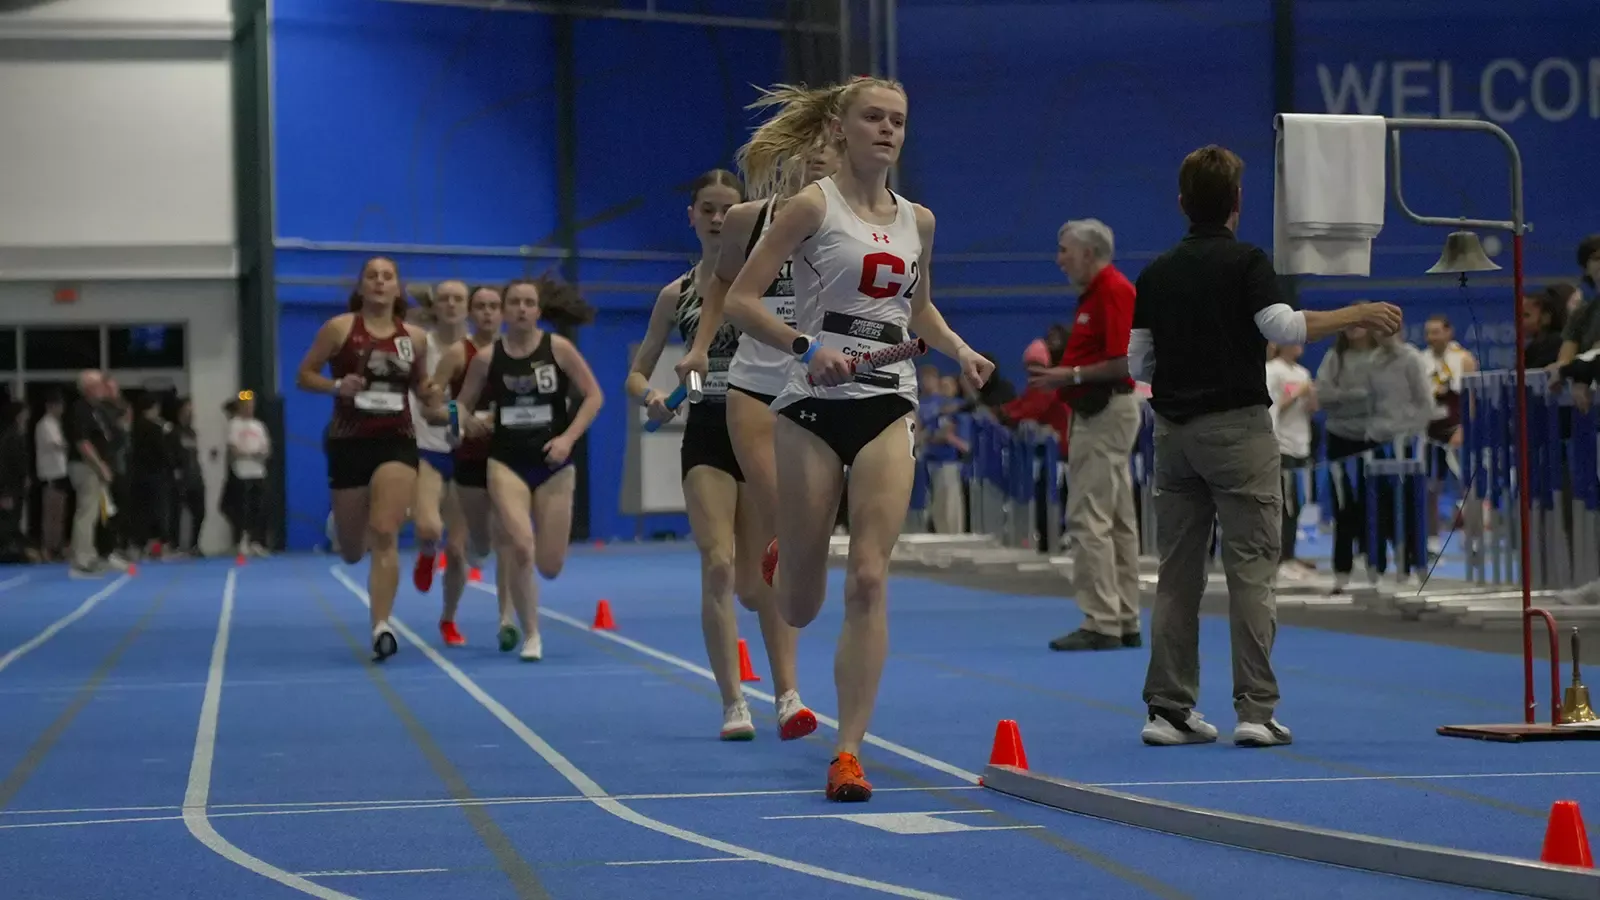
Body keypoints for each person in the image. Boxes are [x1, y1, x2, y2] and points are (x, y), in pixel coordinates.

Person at [718, 77, 994, 801]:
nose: (887, 130)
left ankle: (847, 751)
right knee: (801, 604)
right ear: (840, 128)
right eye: (873, 117)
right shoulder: (812, 206)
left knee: (869, 575)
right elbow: (742, 301)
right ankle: (791, 553)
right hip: (811, 403)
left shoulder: (920, 221)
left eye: (898, 120)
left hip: (886, 404)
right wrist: (807, 347)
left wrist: (961, 350)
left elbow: (920, 309)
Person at [1127, 145, 1401, 748]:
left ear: (1181, 203)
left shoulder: (1154, 272)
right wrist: (1354, 311)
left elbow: (1138, 362)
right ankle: (1255, 711)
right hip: (1239, 430)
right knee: (1252, 571)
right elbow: (1280, 329)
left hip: (1173, 434)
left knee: (1176, 575)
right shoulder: (1248, 261)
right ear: (1237, 204)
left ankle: (1168, 710)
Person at [627, 170, 818, 742]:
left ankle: (788, 694)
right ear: (692, 216)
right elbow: (636, 373)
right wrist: (655, 396)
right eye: (706, 209)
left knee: (763, 579)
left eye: (726, 209)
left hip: (763, 428)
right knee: (717, 563)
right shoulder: (676, 294)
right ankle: (735, 702)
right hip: (708, 432)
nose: (716, 219)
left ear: (746, 217)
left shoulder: (775, 279)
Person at [440, 276, 603, 662]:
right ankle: (531, 634)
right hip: (505, 463)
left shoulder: (558, 349)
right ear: (505, 310)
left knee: (549, 565)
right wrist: (458, 425)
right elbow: (458, 405)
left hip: (554, 465)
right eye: (514, 303)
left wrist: (568, 439)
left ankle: (528, 613)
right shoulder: (486, 358)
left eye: (529, 303)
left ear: (539, 311)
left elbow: (595, 396)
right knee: (520, 546)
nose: (522, 309)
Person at [296, 255, 435, 661]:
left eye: (387, 276)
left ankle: (381, 627)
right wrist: (337, 385)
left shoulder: (416, 338)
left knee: (386, 532)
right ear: (360, 287)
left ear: (397, 287)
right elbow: (304, 375)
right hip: (348, 441)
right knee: (353, 550)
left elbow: (421, 384)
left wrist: (431, 393)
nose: (379, 282)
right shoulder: (339, 329)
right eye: (371, 276)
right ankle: (341, 525)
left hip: (397, 440)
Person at [1028, 218, 1142, 652]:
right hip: (1101, 409)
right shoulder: (1096, 294)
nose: (1059, 260)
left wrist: (1066, 375)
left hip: (1105, 412)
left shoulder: (1113, 291)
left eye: (1064, 250)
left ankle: (1101, 620)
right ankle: (1124, 617)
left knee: (1087, 517)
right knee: (1116, 520)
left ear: (1089, 253)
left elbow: (1124, 363)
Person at [428, 284, 509, 647]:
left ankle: (508, 618)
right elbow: (430, 408)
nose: (489, 313)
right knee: (460, 549)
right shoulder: (458, 355)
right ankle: (448, 616)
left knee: (512, 540)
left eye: (495, 306)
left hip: (510, 459)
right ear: (471, 314)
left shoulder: (523, 353)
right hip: (469, 460)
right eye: (481, 307)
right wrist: (458, 417)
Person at [409, 279, 472, 596]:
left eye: (458, 299)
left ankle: (449, 618)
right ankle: (427, 553)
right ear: (434, 307)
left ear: (467, 307)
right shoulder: (420, 346)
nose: (450, 304)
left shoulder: (479, 351)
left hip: (466, 455)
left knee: (459, 551)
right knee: (429, 527)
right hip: (426, 449)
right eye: (444, 298)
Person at [1264, 343, 1316, 577]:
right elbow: (1273, 408)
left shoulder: (1302, 373)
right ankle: (1278, 557)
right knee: (1283, 504)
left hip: (1300, 444)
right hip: (1280, 443)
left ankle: (1290, 554)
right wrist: (1295, 394)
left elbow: (1311, 408)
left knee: (1297, 503)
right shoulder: (1271, 370)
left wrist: (1312, 394)